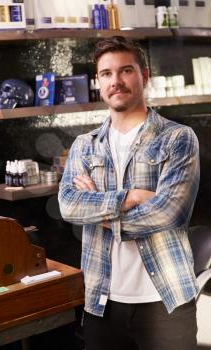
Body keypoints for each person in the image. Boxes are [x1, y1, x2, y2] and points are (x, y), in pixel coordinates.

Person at [58, 36, 200, 350]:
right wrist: (132, 196)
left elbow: (168, 213)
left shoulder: (177, 138)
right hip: (103, 300)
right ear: (99, 81)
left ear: (144, 75)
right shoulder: (84, 145)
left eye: (126, 71)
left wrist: (99, 213)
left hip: (166, 300)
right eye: (107, 74)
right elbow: (69, 205)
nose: (116, 81)